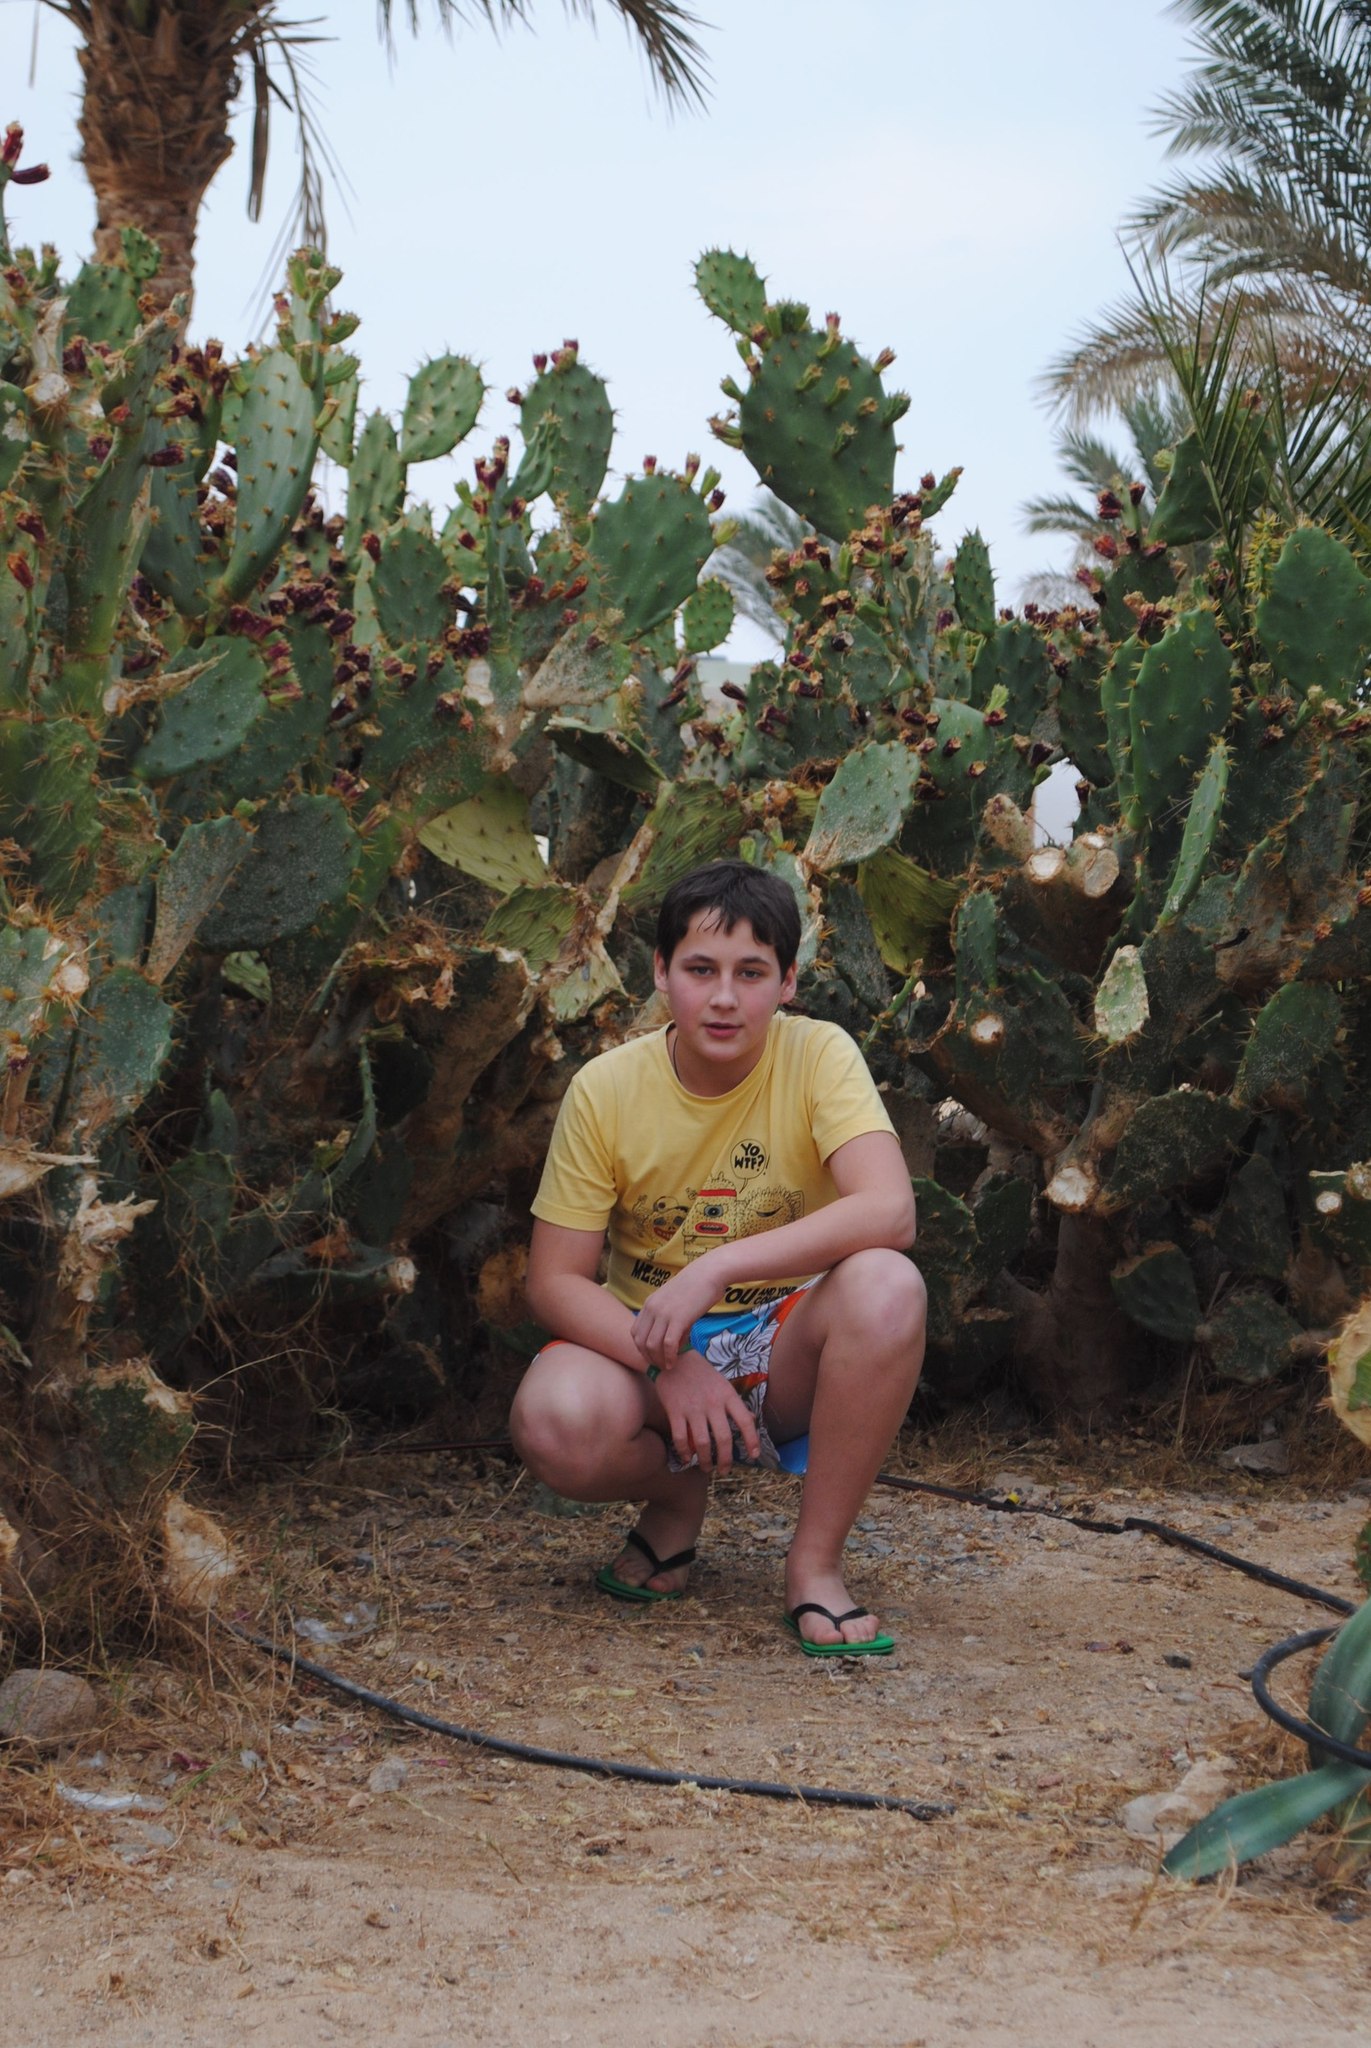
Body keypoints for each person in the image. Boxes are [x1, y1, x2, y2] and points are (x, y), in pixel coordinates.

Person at [510, 860, 926, 1656]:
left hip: (784, 1343)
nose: (725, 997)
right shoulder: (605, 1090)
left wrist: (716, 1267)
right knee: (554, 1420)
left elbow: (889, 1209)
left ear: (789, 982)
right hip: (648, 1343)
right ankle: (676, 1497)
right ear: (660, 972)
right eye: (700, 969)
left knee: (888, 1285)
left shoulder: (818, 1055)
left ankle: (814, 1567)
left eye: (751, 973)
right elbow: (553, 1281)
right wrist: (667, 1365)